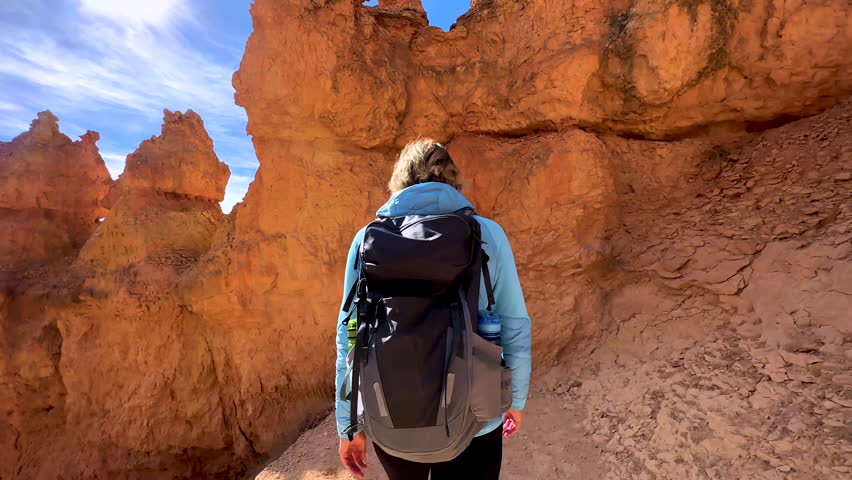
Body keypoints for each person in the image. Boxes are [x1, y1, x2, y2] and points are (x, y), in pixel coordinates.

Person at [335, 139, 532, 479]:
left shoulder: (366, 238)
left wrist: (348, 424)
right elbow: (514, 324)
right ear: (453, 180)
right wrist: (515, 400)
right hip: (476, 416)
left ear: (399, 183)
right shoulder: (488, 234)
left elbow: (350, 335)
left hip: (391, 414)